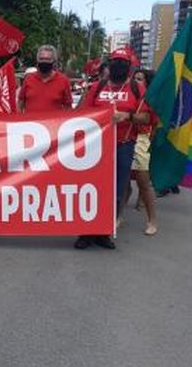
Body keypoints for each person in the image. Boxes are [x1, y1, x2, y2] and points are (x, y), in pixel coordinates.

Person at [74, 48, 149, 250]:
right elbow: (83, 114)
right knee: (91, 189)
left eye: (123, 63)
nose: (118, 65)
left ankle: (103, 233)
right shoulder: (98, 87)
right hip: (96, 147)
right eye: (115, 61)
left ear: (129, 67)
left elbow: (147, 117)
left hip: (123, 146)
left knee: (116, 191)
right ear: (109, 64)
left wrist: (128, 116)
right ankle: (86, 232)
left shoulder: (137, 88)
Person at [124, 69, 158, 236]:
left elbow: (154, 123)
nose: (136, 81)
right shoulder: (128, 94)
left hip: (141, 139)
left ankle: (152, 220)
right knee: (122, 181)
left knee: (143, 181)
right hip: (124, 138)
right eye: (134, 78)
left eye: (140, 79)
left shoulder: (149, 100)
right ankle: (118, 215)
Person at [18, 45, 72, 113]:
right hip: (30, 122)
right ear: (37, 61)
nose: (44, 61)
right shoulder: (28, 79)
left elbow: (68, 108)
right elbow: (20, 104)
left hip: (53, 123)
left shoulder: (64, 81)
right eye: (41, 59)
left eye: (48, 59)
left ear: (54, 61)